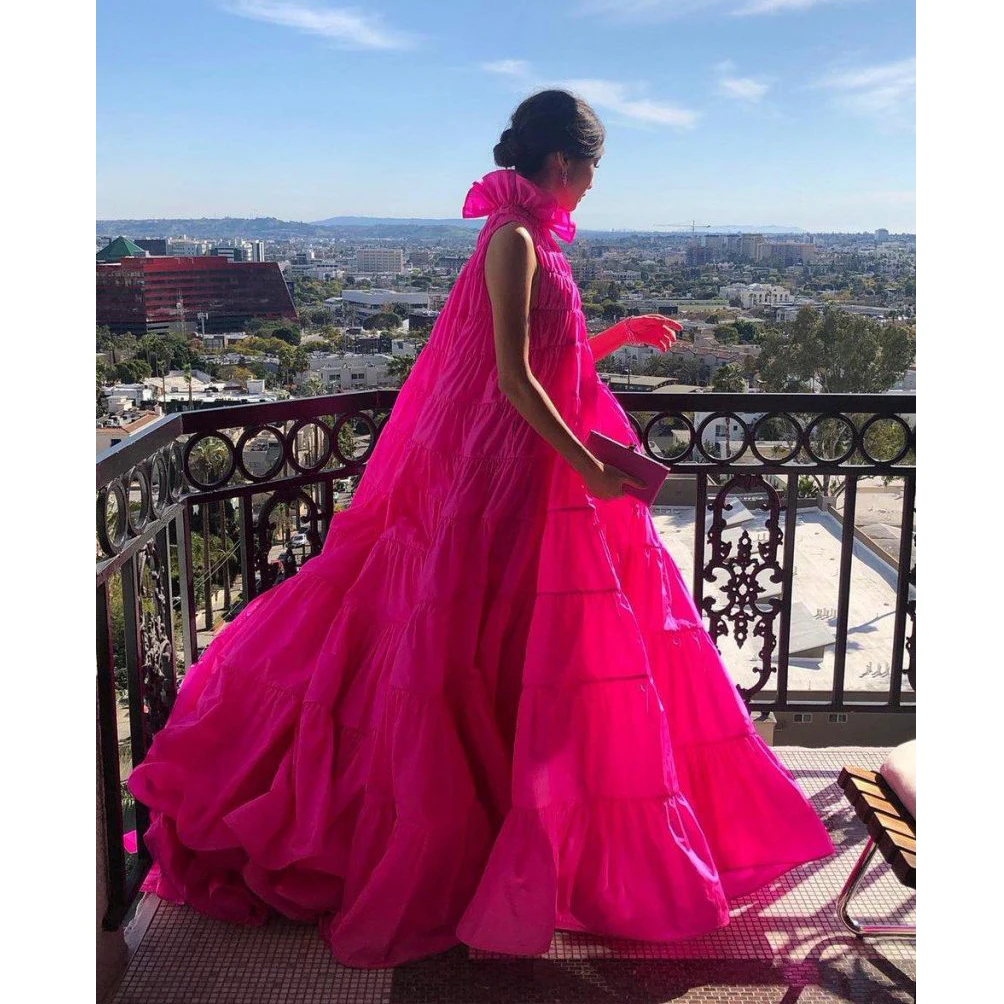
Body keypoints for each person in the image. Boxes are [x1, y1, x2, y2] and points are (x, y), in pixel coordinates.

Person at [127, 89, 834, 969]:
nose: (592, 188)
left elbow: (548, 356)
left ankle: (515, 831)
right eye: (594, 172)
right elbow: (510, 379)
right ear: (568, 166)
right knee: (473, 646)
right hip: (503, 480)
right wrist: (587, 462)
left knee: (525, 654)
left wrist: (615, 336)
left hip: (529, 474)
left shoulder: (530, 239)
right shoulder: (512, 239)